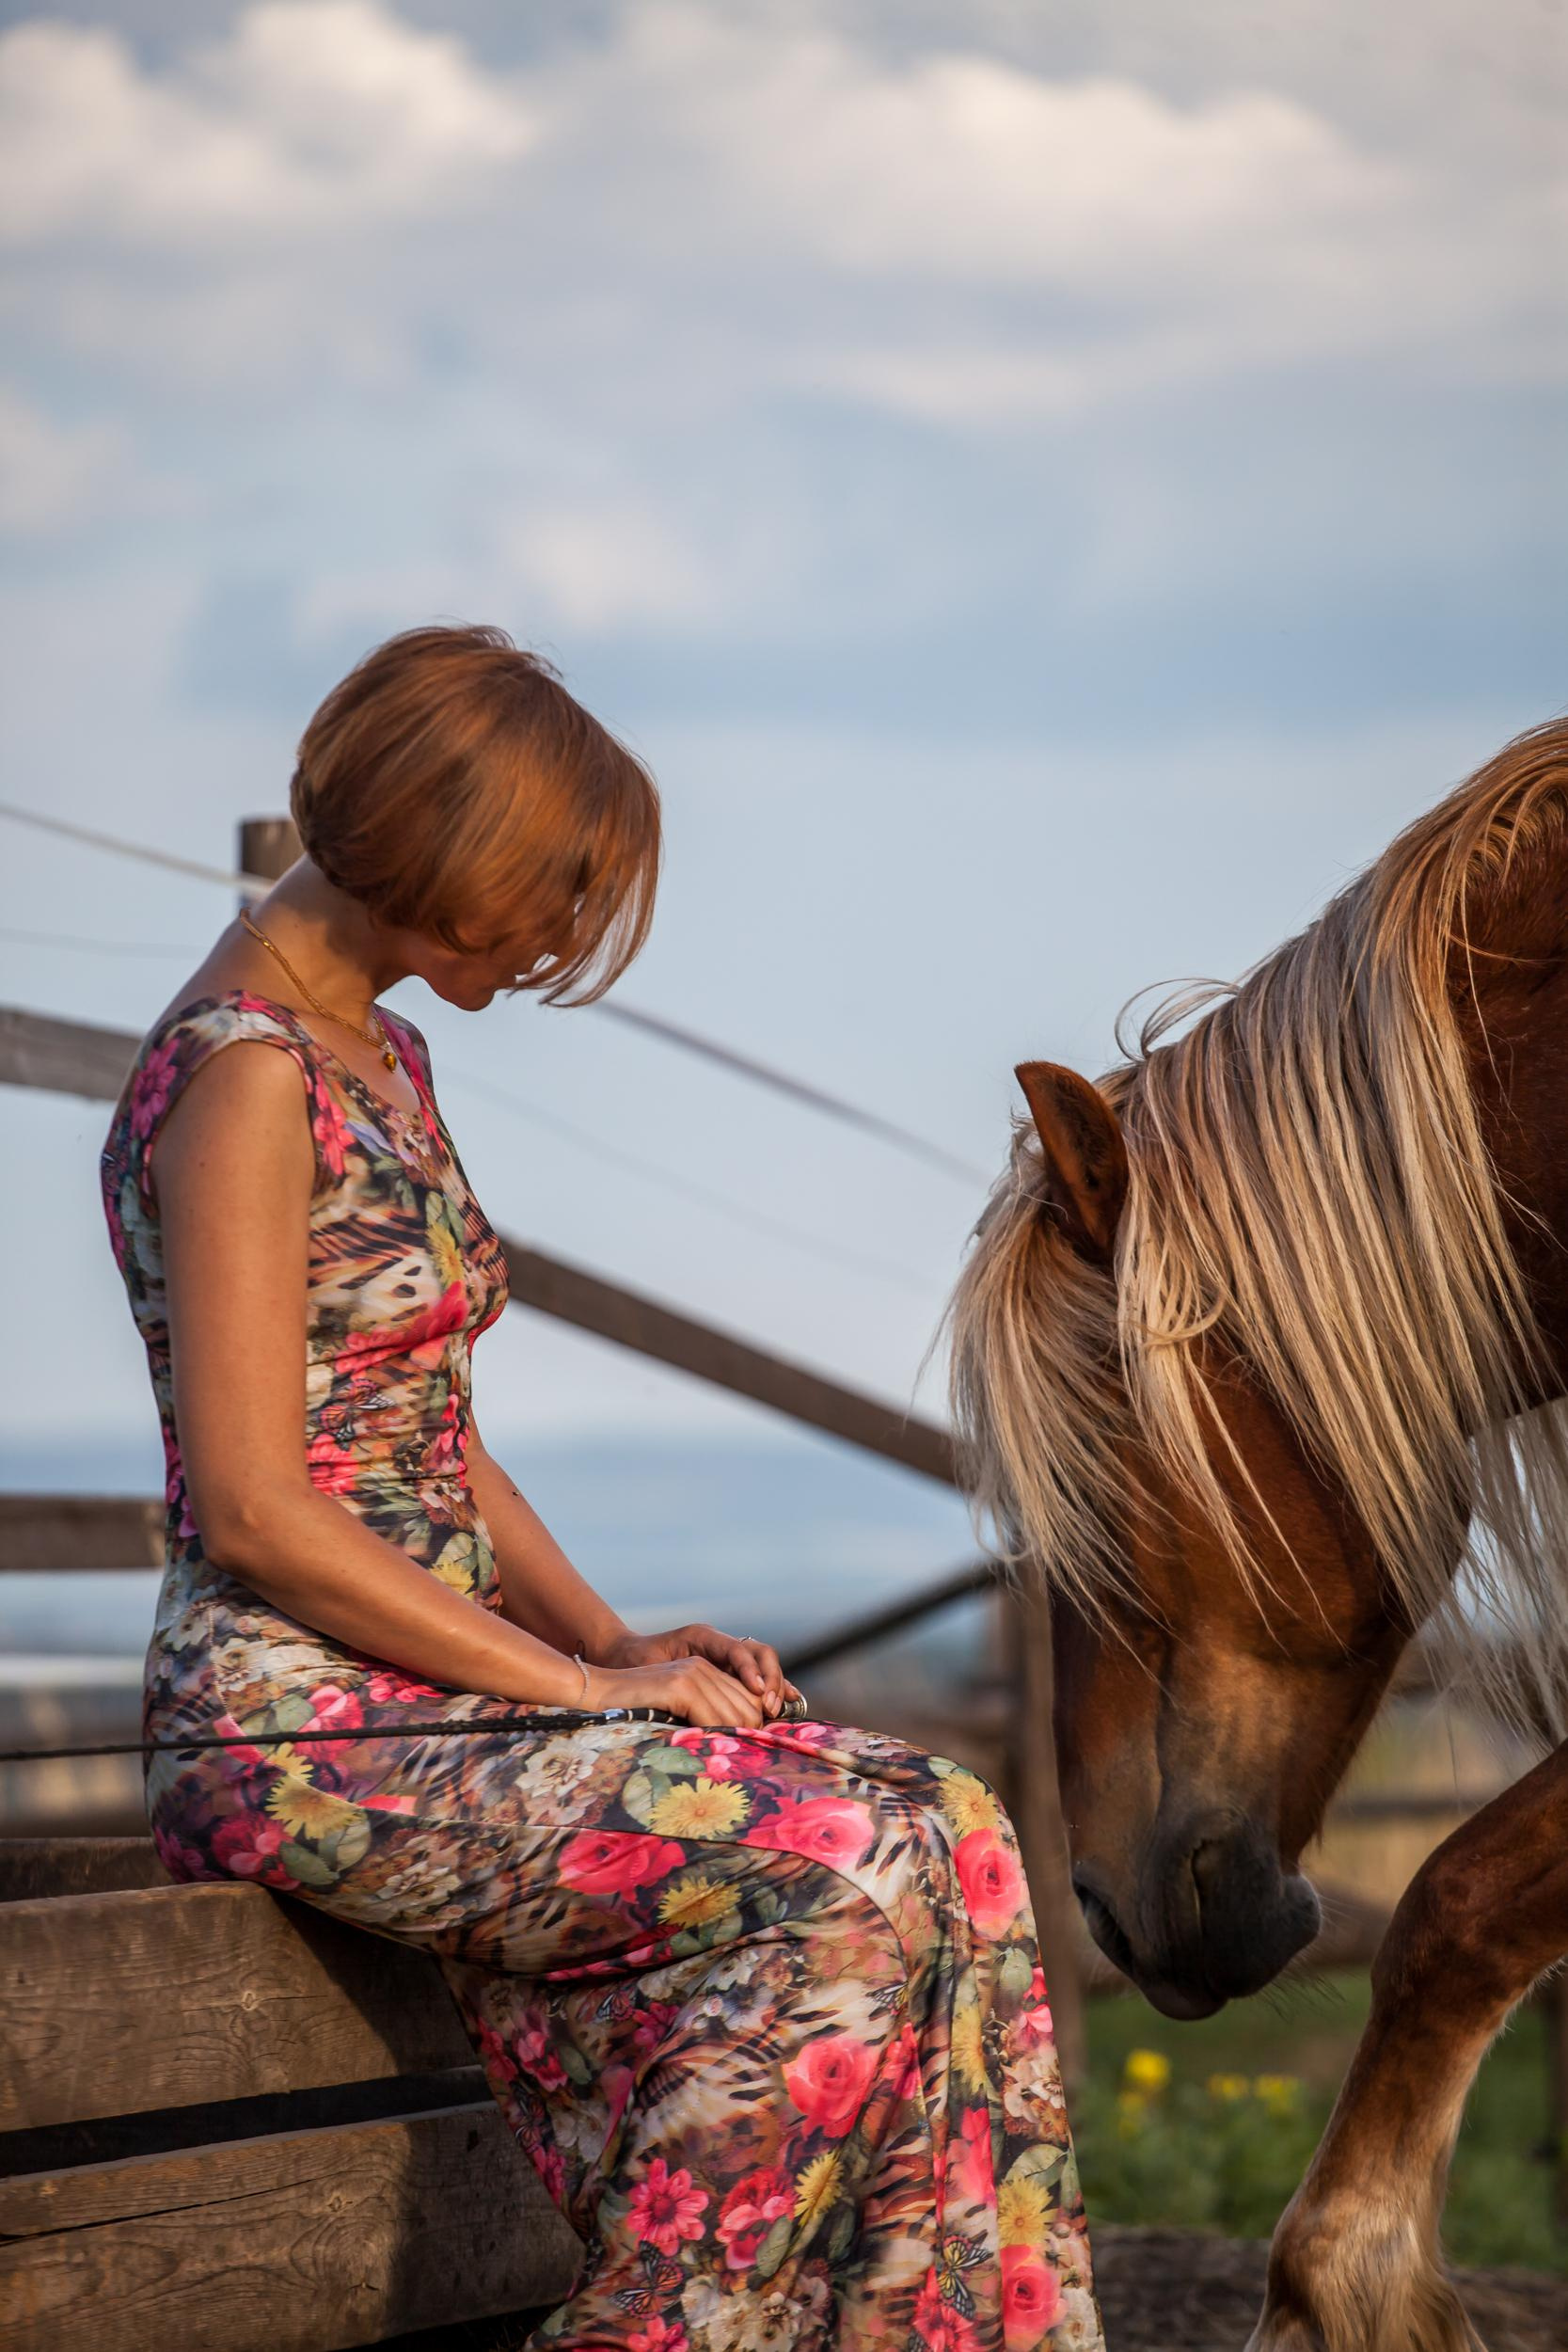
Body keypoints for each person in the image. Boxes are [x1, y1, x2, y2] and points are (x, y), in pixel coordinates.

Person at [98, 622, 1103, 2352]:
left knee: (956, 1828)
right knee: (849, 1864)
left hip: (434, 1694)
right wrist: (580, 1694)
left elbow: (433, 1442)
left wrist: (618, 1641)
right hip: (296, 1723)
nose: (565, 935)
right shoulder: (247, 1078)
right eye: (551, 889)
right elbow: (259, 1507)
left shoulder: (376, 1055)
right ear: (448, 848)